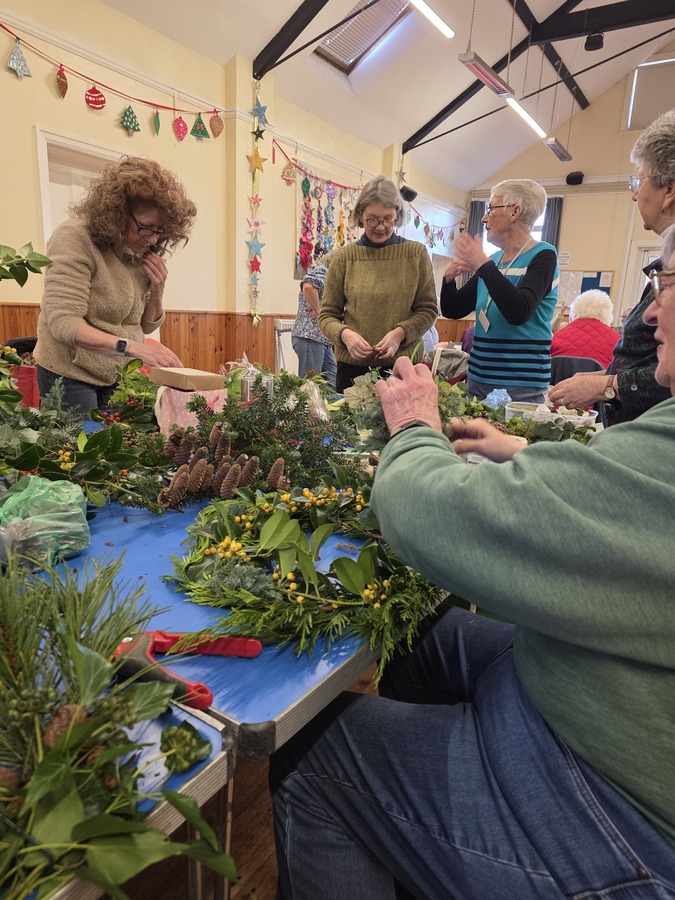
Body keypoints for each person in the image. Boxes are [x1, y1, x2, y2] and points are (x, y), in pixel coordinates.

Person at [269, 225, 675, 900]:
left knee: (310, 756)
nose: (651, 311)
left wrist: (413, 430)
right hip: (585, 708)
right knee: (422, 640)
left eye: (664, 282)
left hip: (620, 820)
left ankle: (426, 829)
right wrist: (519, 447)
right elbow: (618, 483)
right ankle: (419, 845)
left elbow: (428, 514)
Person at [34, 155, 197, 411]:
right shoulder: (74, 237)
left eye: (160, 231)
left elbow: (143, 324)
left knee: (121, 447)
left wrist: (157, 290)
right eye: (147, 227)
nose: (153, 239)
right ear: (118, 212)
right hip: (70, 371)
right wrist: (133, 348)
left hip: (117, 372)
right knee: (84, 449)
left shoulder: (140, 248)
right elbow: (64, 323)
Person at [549, 108, 675, 423]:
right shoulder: (664, 262)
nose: (634, 196)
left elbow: (658, 382)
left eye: (638, 181)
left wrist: (603, 386)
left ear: (669, 190)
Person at [440, 179, 559, 404]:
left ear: (515, 211)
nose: (484, 218)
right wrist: (448, 281)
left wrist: (483, 266)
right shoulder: (494, 262)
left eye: (491, 209)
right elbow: (453, 310)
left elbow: (519, 311)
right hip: (478, 378)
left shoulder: (544, 255)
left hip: (521, 385)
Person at [318, 175, 438, 392]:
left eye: (388, 219)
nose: (381, 226)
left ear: (398, 216)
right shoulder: (344, 258)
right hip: (352, 372)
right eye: (373, 219)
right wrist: (345, 335)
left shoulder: (415, 254)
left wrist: (399, 334)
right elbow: (327, 315)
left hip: (403, 369)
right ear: (361, 215)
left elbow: (428, 310)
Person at [291, 254, 337, 389]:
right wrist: (319, 312)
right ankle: (306, 411)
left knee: (330, 382)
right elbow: (308, 287)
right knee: (309, 386)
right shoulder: (324, 270)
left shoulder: (331, 275)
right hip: (310, 336)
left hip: (322, 338)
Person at [550, 288, 620, 368]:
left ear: (574, 313)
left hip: (560, 380)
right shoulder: (618, 342)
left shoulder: (557, 336)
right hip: (597, 380)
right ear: (608, 315)